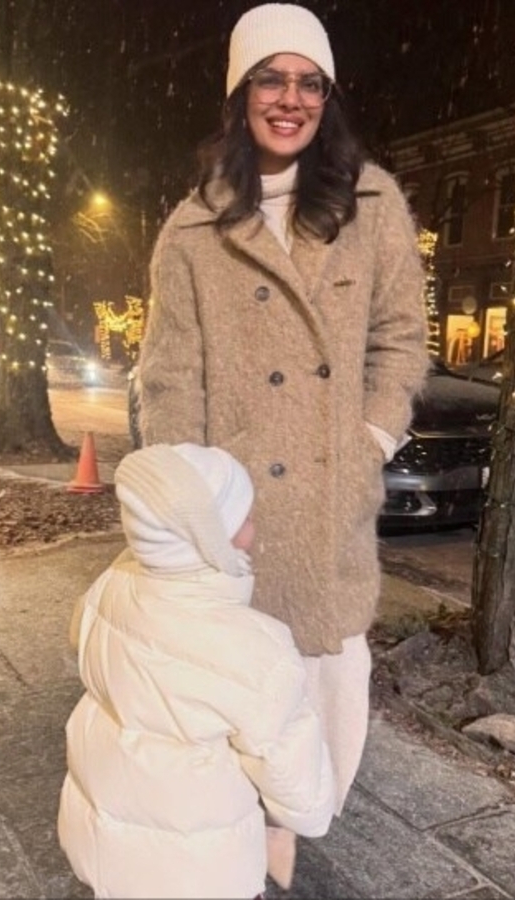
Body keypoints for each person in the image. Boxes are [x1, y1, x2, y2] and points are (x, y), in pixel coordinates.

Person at [134, 0, 429, 868]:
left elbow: (402, 340)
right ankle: (253, 862)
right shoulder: (192, 230)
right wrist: (187, 508)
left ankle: (287, 845)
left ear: (327, 99)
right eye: (272, 78)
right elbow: (169, 377)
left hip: (330, 499)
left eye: (310, 82)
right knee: (232, 692)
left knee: (322, 690)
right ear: (240, 94)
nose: (291, 99)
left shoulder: (372, 205)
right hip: (234, 510)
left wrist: (371, 439)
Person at [57, 443, 336, 899]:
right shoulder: (251, 646)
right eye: (244, 517)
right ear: (210, 536)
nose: (254, 525)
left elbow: (83, 642)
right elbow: (292, 774)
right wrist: (314, 809)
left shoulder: (111, 585)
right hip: (196, 867)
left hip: (107, 837)